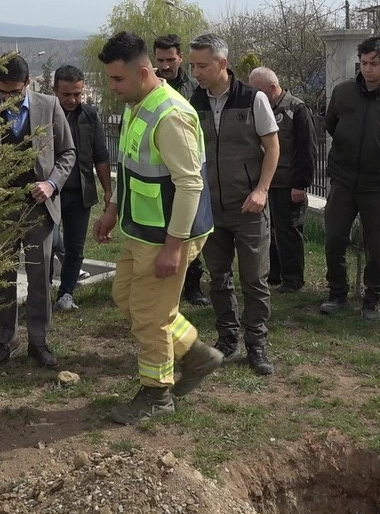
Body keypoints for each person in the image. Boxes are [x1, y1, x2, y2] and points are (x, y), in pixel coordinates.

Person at [92, 31, 221, 424]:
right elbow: (130, 165)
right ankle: (197, 355)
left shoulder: (171, 115)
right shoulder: (138, 105)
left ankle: (156, 395)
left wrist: (173, 247)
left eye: (118, 79)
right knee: (127, 299)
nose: (113, 87)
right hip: (142, 231)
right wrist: (113, 209)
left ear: (144, 73)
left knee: (150, 315)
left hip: (167, 235)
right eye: (110, 79)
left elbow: (190, 185)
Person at [189, 34, 280, 376]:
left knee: (254, 279)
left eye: (202, 65)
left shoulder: (253, 99)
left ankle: (257, 343)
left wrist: (262, 190)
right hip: (211, 208)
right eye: (193, 65)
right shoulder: (193, 102)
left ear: (222, 63)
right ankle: (228, 337)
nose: (196, 72)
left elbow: (272, 148)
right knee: (218, 276)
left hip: (248, 207)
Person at [319, 36, 380, 321]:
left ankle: (373, 297)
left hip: (378, 184)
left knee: (378, 245)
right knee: (335, 238)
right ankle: (337, 292)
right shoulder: (343, 93)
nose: (368, 69)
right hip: (343, 179)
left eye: (374, 63)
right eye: (363, 63)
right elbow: (332, 124)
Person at [0, 54, 76, 369]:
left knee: (39, 276)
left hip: (40, 208)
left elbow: (68, 152)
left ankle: (38, 341)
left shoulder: (49, 107)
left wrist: (51, 184)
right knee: (3, 277)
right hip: (2, 209)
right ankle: (6, 339)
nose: (8, 99)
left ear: (28, 83)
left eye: (14, 92)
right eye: (1, 92)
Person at [248, 66, 317, 295]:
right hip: (269, 183)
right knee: (270, 231)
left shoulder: (296, 109)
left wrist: (300, 184)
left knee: (289, 232)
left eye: (258, 90)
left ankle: (293, 278)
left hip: (289, 184)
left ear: (272, 88)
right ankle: (275, 274)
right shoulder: (262, 109)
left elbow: (307, 149)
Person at [154, 33, 210, 307]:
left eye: (170, 59)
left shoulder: (195, 89)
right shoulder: (149, 87)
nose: (165, 66)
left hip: (187, 165)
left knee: (191, 225)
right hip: (158, 169)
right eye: (160, 60)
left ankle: (193, 285)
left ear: (180, 58)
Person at [51, 64, 112, 311]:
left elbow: (101, 155)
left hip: (80, 192)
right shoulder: (44, 115)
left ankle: (66, 293)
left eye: (77, 94)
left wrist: (108, 191)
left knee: (75, 247)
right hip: (50, 193)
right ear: (55, 90)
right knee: (48, 244)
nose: (72, 100)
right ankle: (42, 291)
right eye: (66, 94)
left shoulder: (90, 116)